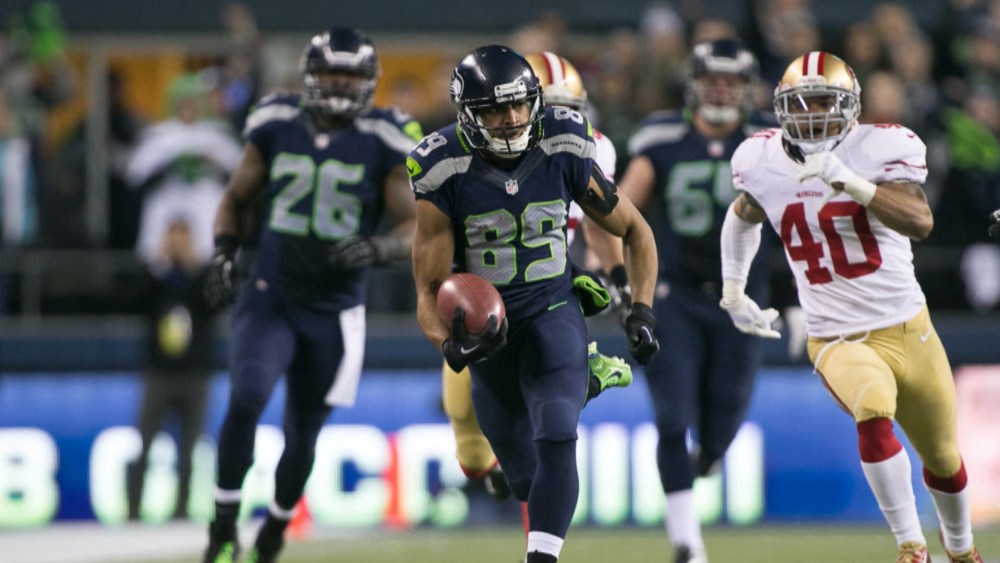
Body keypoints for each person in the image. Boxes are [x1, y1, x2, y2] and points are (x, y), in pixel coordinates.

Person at [721, 51, 984, 563]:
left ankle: (960, 548)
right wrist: (734, 289)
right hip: (836, 335)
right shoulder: (761, 159)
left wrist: (851, 182)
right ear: (781, 107)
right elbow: (743, 214)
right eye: (802, 103)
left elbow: (920, 221)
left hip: (909, 327)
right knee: (873, 409)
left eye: (825, 101)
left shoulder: (879, 147)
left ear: (851, 105)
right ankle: (911, 546)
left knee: (944, 458)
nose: (813, 114)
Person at [410, 45, 660, 563]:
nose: (511, 118)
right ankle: (587, 380)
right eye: (495, 109)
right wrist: (451, 345)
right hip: (488, 330)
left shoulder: (564, 143)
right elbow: (428, 290)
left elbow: (634, 229)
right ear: (468, 114)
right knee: (524, 479)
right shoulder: (442, 166)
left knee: (557, 433)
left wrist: (641, 307)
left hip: (552, 310)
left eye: (519, 104)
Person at [201, 27, 422, 563]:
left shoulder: (384, 136)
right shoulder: (277, 121)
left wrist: (377, 248)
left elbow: (416, 227)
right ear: (310, 77)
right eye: (330, 74)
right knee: (246, 398)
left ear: (368, 81)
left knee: (302, 434)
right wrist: (224, 252)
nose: (340, 85)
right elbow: (235, 199)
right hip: (270, 296)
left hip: (335, 311)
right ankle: (223, 525)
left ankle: (275, 529)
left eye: (350, 75)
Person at [586, 38, 776, 563]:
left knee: (723, 425)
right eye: (711, 79)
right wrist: (614, 271)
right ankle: (687, 544)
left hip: (743, 298)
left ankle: (707, 459)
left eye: (731, 81)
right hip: (674, 295)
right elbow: (619, 210)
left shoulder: (767, 141)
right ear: (693, 84)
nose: (720, 90)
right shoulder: (662, 135)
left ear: (746, 87)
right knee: (671, 417)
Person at [440, 50, 632, 501]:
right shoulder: (468, 154)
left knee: (546, 426)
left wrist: (618, 276)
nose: (562, 120)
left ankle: (580, 377)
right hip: (482, 291)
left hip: (548, 289)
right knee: (470, 443)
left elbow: (602, 221)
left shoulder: (586, 146)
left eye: (571, 109)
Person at [127, 218, 217, 521]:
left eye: (183, 237)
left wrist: (194, 264)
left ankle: (182, 512)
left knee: (190, 449)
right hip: (159, 373)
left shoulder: (201, 279)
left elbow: (216, 303)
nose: (177, 244)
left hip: (194, 375)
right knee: (145, 445)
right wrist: (158, 262)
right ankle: (133, 512)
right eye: (173, 237)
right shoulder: (156, 280)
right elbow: (133, 299)